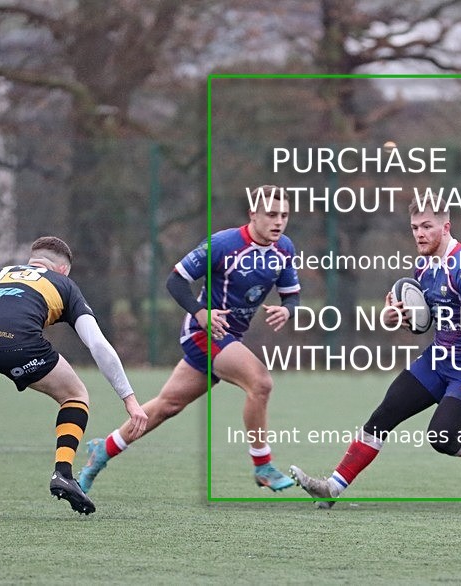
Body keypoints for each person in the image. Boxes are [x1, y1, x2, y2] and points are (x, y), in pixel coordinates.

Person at [78, 185, 299, 493]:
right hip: (204, 333)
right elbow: (175, 280)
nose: (279, 221)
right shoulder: (223, 244)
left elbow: (292, 295)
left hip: (229, 337)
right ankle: (263, 465)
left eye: (284, 215)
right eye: (271, 214)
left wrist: (288, 311)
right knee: (260, 383)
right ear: (253, 215)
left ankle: (103, 450)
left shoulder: (284, 248)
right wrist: (200, 312)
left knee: (166, 405)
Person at [290, 199, 461, 508]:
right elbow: (421, 321)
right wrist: (393, 316)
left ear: (446, 226)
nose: (420, 234)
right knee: (384, 414)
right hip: (437, 358)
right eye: (415, 228)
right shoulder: (424, 268)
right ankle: (332, 487)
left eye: (427, 227)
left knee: (441, 437)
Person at [0, 236, 148, 515]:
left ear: (31, 261)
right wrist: (130, 400)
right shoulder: (64, 284)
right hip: (19, 345)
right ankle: (63, 472)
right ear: (62, 269)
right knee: (75, 395)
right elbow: (97, 344)